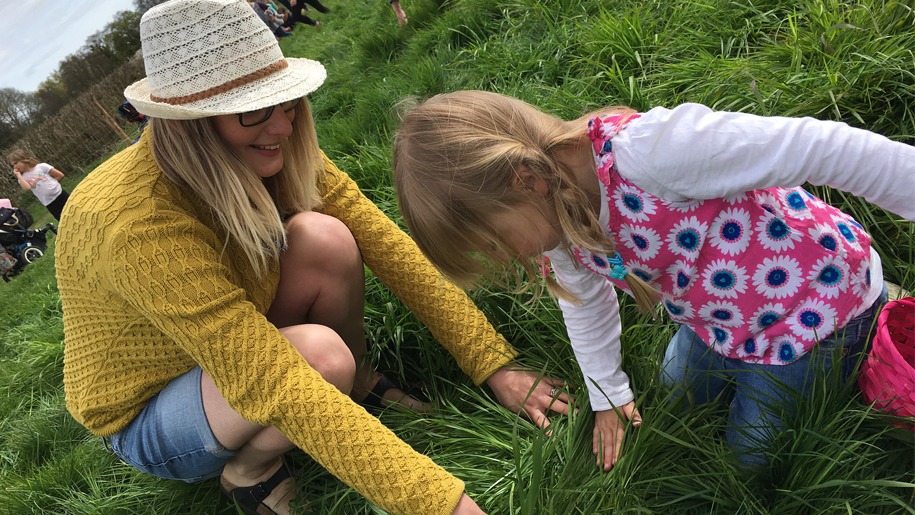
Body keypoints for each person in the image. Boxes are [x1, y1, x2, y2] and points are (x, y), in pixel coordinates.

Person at [55, 4, 569, 515]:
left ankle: (358, 379)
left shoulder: (268, 144)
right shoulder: (134, 221)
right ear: (191, 125)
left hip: (236, 342)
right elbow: (269, 375)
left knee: (326, 238)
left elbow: (388, 248)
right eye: (254, 109)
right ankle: (249, 469)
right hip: (153, 408)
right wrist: (445, 505)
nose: (282, 124)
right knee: (319, 359)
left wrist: (492, 364)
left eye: (286, 101)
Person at [392, 90, 915, 470]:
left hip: (817, 303)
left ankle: (871, 321)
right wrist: (608, 396)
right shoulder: (556, 216)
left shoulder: (654, 154)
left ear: (525, 181)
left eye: (493, 244)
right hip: (723, 319)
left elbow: (824, 146)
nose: (503, 260)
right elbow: (585, 304)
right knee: (673, 397)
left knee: (753, 458)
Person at [8, 149, 69, 221]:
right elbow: (27, 188)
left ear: (23, 159)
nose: (15, 167)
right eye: (12, 166)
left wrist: (53, 185)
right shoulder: (22, 178)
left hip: (61, 195)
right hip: (50, 204)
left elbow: (60, 175)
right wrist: (18, 175)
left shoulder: (41, 167)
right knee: (64, 221)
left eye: (16, 163)